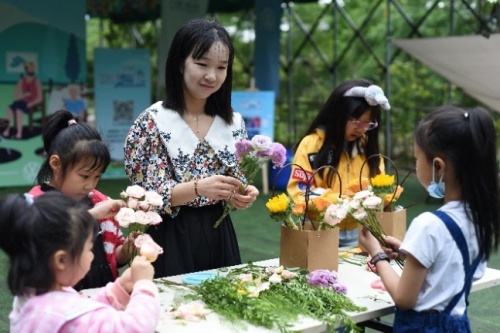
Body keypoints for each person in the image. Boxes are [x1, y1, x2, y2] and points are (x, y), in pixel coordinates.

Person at [124, 18, 259, 277]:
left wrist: (240, 194)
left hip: (219, 232)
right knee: (173, 310)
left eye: (221, 67)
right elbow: (146, 195)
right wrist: (198, 188)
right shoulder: (152, 122)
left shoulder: (233, 122)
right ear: (179, 63)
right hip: (168, 234)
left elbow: (234, 179)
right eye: (201, 64)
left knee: (224, 309)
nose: (212, 75)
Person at [358, 106, 500, 332]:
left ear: (438, 166)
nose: (415, 165)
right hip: (458, 324)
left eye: (417, 158)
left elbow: (404, 298)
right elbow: (452, 269)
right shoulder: (479, 219)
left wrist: (377, 254)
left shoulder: (429, 224)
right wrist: (408, 250)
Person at [0, 191, 160, 332]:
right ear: (61, 260)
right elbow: (135, 329)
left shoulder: (33, 296)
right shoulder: (67, 315)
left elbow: (84, 308)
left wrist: (118, 289)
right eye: (89, 248)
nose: (91, 256)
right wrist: (144, 286)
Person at [29, 109, 134, 290]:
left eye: (97, 177)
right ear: (56, 163)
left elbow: (111, 256)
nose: (90, 185)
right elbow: (43, 240)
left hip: (102, 292)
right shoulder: (36, 202)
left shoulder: (100, 201)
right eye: (85, 176)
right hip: (62, 299)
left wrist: (125, 251)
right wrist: (92, 215)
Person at [287, 78, 388, 247]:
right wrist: (342, 202)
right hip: (320, 230)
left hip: (363, 232)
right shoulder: (312, 145)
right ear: (337, 115)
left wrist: (376, 198)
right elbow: (300, 192)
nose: (361, 128)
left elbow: (380, 186)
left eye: (367, 123)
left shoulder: (368, 148)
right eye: (355, 121)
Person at [2, 61, 43, 139]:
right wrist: (23, 95)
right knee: (9, 108)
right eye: (29, 68)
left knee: (18, 110)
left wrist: (31, 104)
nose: (31, 70)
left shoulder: (36, 81)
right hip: (22, 101)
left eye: (32, 68)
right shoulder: (22, 80)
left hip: (32, 103)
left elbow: (40, 98)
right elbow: (15, 95)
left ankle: (19, 133)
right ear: (26, 70)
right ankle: (6, 130)